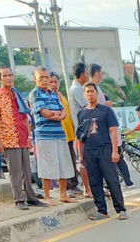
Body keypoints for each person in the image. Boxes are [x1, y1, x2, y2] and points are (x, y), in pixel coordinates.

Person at [0, 67, 44, 211]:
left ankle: (31, 197)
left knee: (27, 169)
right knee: (15, 171)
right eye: (5, 76)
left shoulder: (16, 94)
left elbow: (25, 116)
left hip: (22, 136)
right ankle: (19, 198)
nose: (8, 78)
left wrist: (28, 136)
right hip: (9, 138)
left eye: (10, 75)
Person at [76, 82, 126, 221]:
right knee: (95, 181)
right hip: (89, 151)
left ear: (97, 93)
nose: (90, 94)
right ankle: (102, 210)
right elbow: (79, 137)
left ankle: (121, 209)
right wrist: (81, 155)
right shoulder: (81, 113)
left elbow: (113, 131)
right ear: (84, 95)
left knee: (112, 180)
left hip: (105, 149)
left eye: (92, 91)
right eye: (87, 92)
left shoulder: (106, 111)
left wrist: (114, 151)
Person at [32, 68, 76, 205]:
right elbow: (45, 113)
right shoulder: (35, 94)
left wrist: (55, 115)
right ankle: (47, 195)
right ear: (35, 79)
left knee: (63, 164)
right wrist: (56, 115)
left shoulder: (53, 94)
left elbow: (63, 113)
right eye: (41, 78)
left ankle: (63, 194)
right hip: (45, 136)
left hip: (59, 134)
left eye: (46, 77)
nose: (45, 80)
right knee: (47, 166)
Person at [50, 72, 81, 198]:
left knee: (71, 161)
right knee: (62, 162)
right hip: (58, 135)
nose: (53, 84)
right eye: (51, 82)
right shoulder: (50, 98)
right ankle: (66, 187)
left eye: (55, 81)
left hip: (69, 135)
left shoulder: (62, 97)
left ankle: (74, 184)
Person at [68, 63, 93, 198]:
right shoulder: (77, 90)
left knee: (88, 160)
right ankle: (87, 188)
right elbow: (88, 106)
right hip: (83, 131)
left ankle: (91, 187)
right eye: (86, 74)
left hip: (84, 130)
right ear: (83, 73)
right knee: (83, 160)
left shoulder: (75, 89)